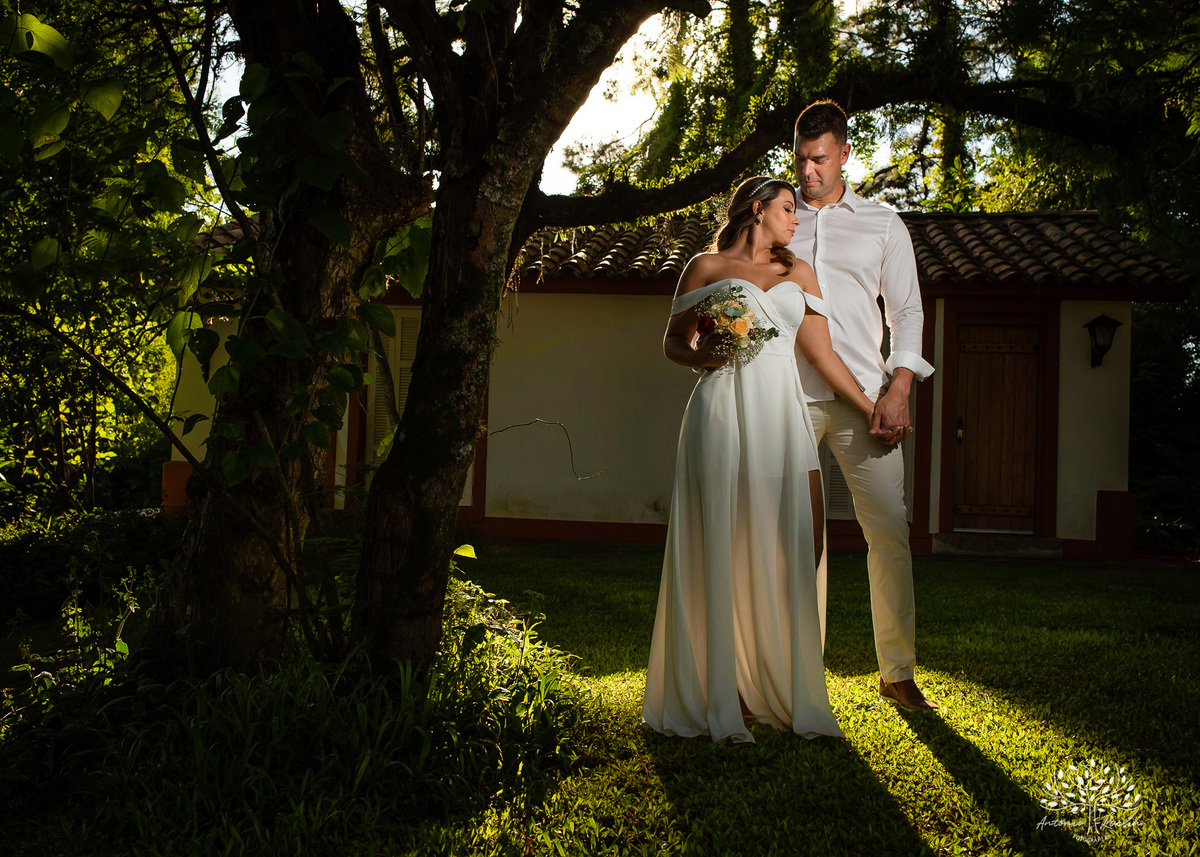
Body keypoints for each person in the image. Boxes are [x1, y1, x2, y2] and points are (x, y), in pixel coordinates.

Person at [642, 176, 878, 743]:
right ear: (758, 210)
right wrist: (705, 354)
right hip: (721, 410)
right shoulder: (705, 267)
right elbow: (675, 343)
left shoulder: (797, 274)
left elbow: (821, 354)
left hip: (782, 412)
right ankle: (727, 690)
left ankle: (774, 676)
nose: (796, 219)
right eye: (788, 208)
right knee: (722, 537)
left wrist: (872, 408)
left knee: (804, 536)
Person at [787, 99, 937, 711]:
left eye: (819, 159)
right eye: (800, 160)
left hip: (865, 402)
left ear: (845, 153)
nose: (808, 172)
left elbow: (906, 312)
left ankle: (897, 671)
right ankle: (791, 671)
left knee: (887, 533)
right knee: (792, 538)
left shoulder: (882, 223)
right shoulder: (776, 219)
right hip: (787, 397)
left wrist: (899, 387)